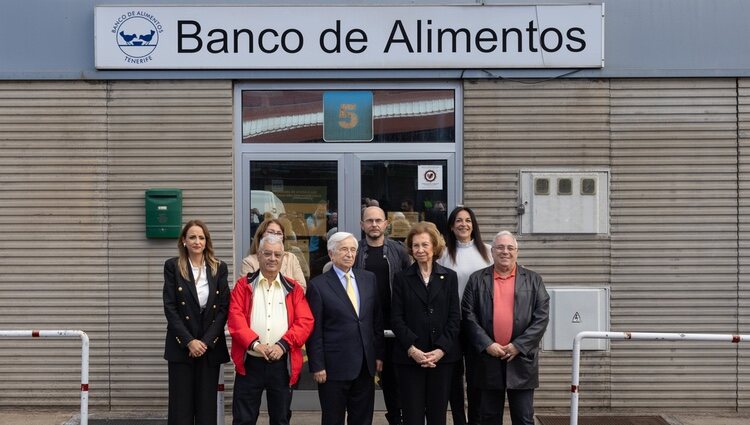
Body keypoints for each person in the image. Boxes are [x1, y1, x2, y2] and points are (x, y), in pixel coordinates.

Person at [461, 231, 550, 425]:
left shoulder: (534, 280)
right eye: (500, 247)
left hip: (521, 360)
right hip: (487, 359)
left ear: (517, 252)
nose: (505, 252)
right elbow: (468, 315)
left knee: (524, 418)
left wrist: (519, 345)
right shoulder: (476, 280)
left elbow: (541, 318)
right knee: (488, 418)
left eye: (510, 248)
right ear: (492, 252)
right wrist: (487, 344)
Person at [228, 235, 314, 425]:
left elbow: (305, 321)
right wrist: (256, 345)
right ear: (258, 256)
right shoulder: (243, 285)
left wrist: (282, 345)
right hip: (250, 362)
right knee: (243, 419)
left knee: (281, 418)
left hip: (282, 364)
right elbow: (235, 319)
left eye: (277, 254)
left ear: (283, 258)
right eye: (267, 253)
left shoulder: (294, 288)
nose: (272, 258)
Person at [306, 232, 385, 425]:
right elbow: (314, 331)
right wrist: (317, 365)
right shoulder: (318, 285)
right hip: (333, 368)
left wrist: (378, 355)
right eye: (344, 249)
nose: (349, 254)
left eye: (353, 250)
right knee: (333, 419)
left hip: (365, 367)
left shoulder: (368, 279)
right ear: (331, 254)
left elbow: (376, 320)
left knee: (363, 419)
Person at [391, 222, 461, 425]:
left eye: (424, 245)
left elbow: (454, 318)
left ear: (434, 247)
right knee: (412, 416)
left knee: (437, 415)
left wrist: (440, 350)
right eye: (415, 246)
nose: (420, 250)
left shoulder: (449, 277)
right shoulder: (402, 278)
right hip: (410, 358)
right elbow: (396, 318)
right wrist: (413, 350)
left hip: (442, 359)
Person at [162, 219, 230, 425]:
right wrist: (190, 341)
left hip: (209, 347)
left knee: (206, 408)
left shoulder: (219, 267)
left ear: (206, 241)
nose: (197, 241)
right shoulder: (173, 266)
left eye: (201, 237)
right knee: (180, 408)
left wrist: (205, 342)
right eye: (192, 237)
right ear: (184, 240)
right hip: (182, 345)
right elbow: (170, 307)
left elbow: (223, 308)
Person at [355, 206, 412, 425]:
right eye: (369, 221)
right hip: (365, 326)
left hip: (393, 325)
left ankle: (395, 418)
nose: (374, 224)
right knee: (364, 378)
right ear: (362, 225)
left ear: (386, 224)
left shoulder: (399, 251)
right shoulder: (357, 251)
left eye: (378, 220)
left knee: (393, 380)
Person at [437, 206, 493, 425]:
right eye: (458, 221)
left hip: (479, 325)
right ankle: (459, 419)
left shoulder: (487, 251)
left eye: (468, 220)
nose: (463, 224)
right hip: (452, 324)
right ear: (451, 226)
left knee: (476, 378)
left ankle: (475, 420)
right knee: (453, 378)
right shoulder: (442, 254)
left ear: (474, 225)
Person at [241, 218, 307, 290]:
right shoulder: (249, 262)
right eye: (270, 232)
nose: (275, 236)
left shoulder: (291, 258)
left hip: (288, 301)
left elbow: (301, 288)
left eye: (279, 233)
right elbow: (245, 291)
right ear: (260, 236)